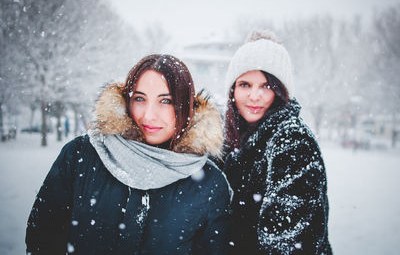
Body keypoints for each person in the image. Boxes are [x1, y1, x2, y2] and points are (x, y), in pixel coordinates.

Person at [26, 54, 232, 254]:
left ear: (186, 107)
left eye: (166, 101)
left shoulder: (209, 183)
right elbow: (43, 238)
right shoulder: (81, 155)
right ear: (127, 100)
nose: (149, 115)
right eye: (140, 98)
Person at [223, 30, 332, 254]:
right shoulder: (230, 141)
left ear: (281, 91)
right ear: (233, 89)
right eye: (245, 84)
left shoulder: (292, 142)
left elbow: (289, 244)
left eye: (266, 85)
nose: (255, 96)